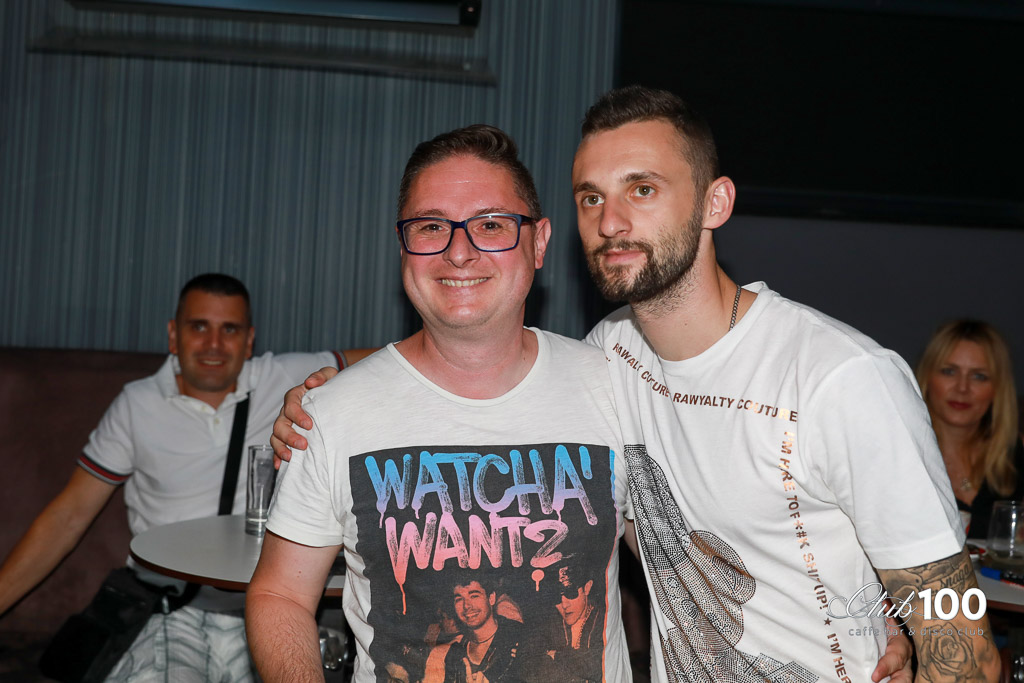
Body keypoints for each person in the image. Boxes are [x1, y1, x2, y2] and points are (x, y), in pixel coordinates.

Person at [273, 86, 988, 681]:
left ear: (714, 203)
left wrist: (909, 626)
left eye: (642, 189)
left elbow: (959, 628)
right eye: (591, 197)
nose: (611, 221)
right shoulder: (610, 358)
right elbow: (470, 351)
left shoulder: (843, 378)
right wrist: (331, 386)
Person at [245, 125, 633, 683]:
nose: (459, 251)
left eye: (491, 225)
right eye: (431, 227)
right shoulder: (330, 413)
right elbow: (280, 593)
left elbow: (678, 565)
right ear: (403, 246)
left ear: (540, 242)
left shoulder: (617, 389)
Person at [0, 273, 350, 682]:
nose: (214, 344)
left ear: (249, 340)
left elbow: (389, 361)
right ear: (173, 335)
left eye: (229, 329)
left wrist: (333, 384)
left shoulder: (283, 376)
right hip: (171, 608)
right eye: (199, 327)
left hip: (269, 605)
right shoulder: (137, 404)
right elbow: (69, 515)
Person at [916, 319, 1023, 539]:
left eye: (978, 376)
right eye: (949, 371)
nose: (962, 388)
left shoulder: (1016, 454)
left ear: (998, 388)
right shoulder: (902, 455)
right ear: (927, 377)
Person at [441, 574, 527, 682]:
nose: (466, 606)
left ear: (491, 598)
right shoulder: (454, 654)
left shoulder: (520, 638)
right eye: (459, 599)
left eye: (474, 596)